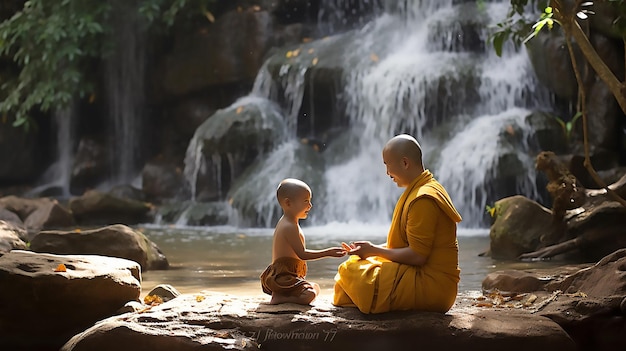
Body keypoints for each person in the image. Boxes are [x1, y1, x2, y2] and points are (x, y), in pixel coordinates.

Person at [333, 134, 462, 314]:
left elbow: (418, 256)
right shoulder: (423, 188)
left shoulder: (422, 199)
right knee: (356, 262)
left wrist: (374, 250)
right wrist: (370, 250)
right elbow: (408, 245)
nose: (387, 173)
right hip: (426, 279)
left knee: (350, 270)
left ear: (405, 163)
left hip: (432, 287)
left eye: (387, 165)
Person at [261, 178, 347, 305]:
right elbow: (302, 254)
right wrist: (328, 252)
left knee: (316, 288)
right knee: (310, 294)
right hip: (282, 277)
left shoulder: (290, 222)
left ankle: (283, 294)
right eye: (306, 201)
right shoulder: (289, 226)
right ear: (288, 203)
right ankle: (281, 297)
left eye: (310, 201)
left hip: (290, 275)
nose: (310, 205)